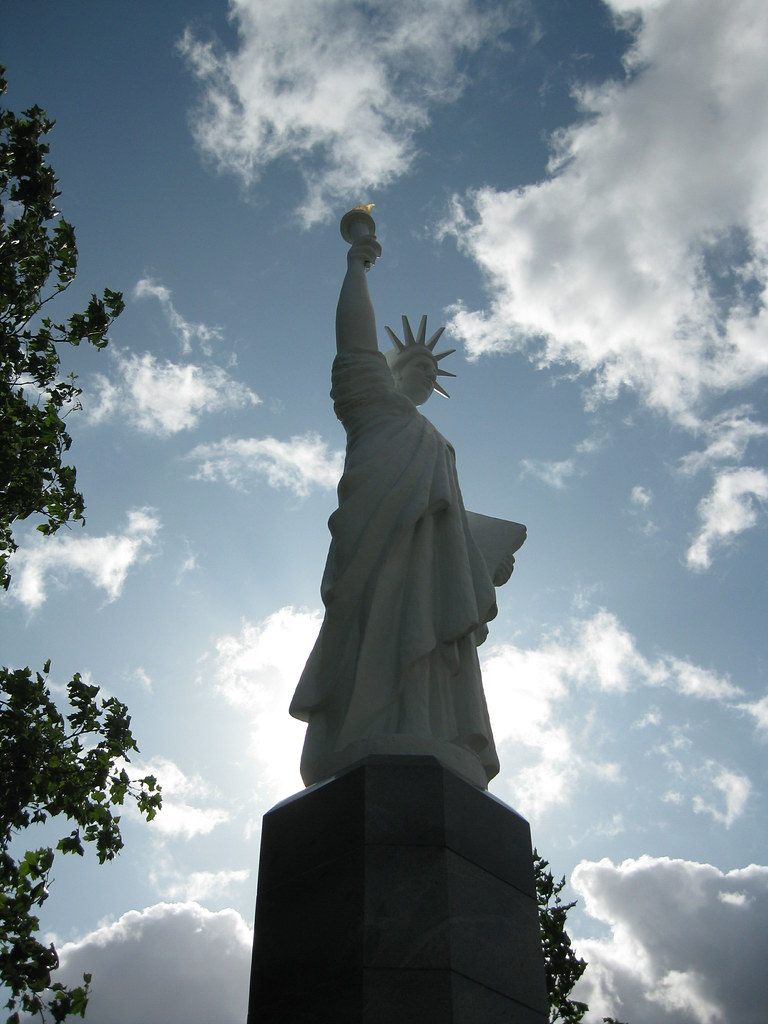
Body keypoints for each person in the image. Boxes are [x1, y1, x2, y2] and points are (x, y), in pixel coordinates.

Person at [289, 225, 522, 789]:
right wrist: (357, 265)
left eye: (432, 371)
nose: (426, 375)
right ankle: (364, 732)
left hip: (430, 568)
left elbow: (445, 518)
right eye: (417, 366)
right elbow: (354, 342)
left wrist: (481, 562)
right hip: (374, 550)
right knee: (376, 633)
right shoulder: (371, 404)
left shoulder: (436, 441)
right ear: (391, 369)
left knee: (427, 639)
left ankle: (425, 728)